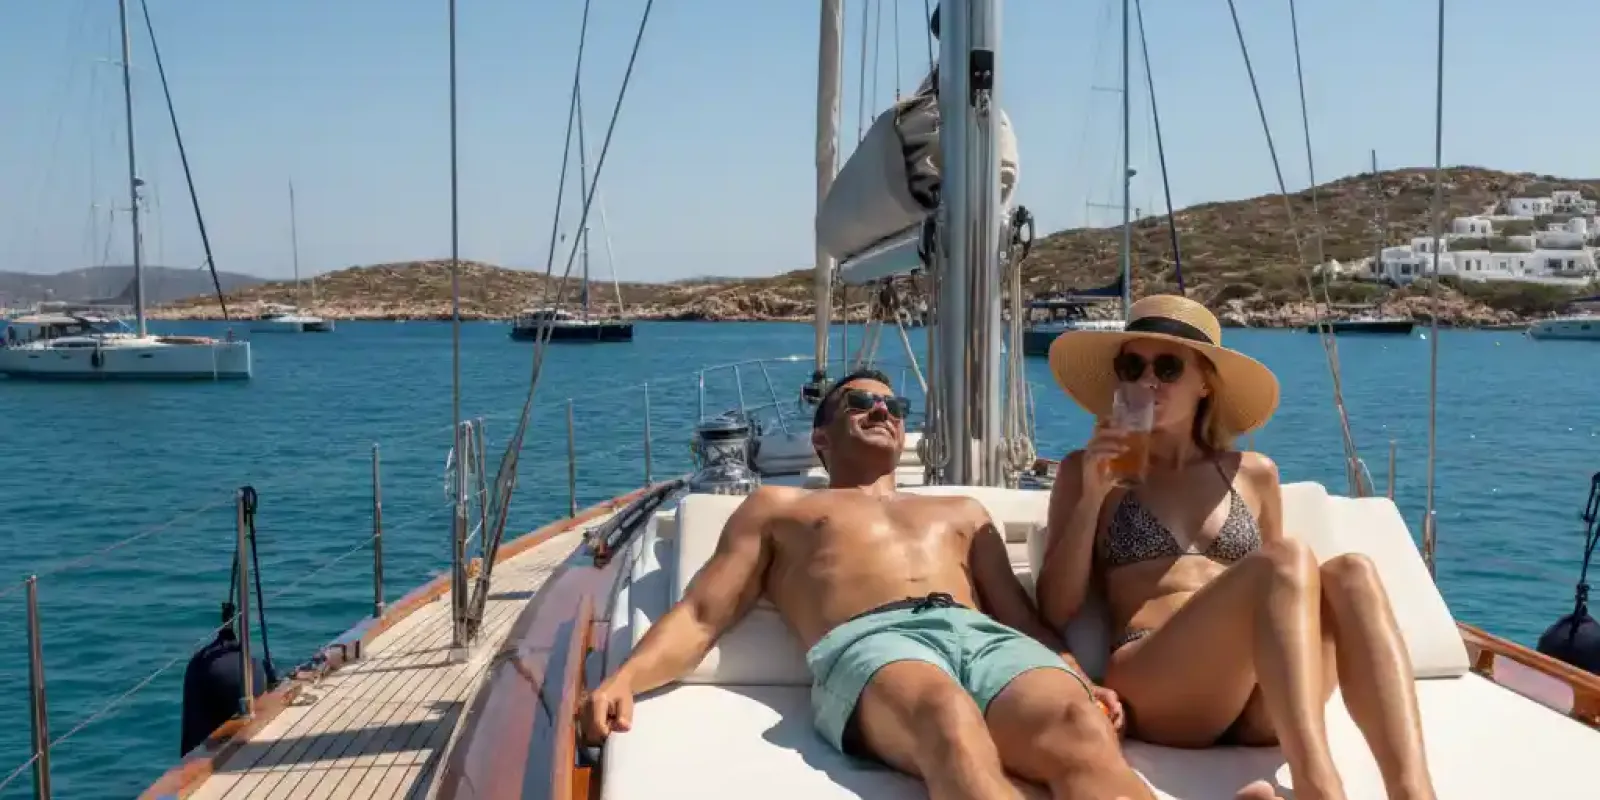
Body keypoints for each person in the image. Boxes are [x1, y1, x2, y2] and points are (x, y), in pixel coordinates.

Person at [583, 369, 1155, 800]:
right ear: (821, 439)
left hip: (984, 641)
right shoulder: (780, 508)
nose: (882, 409)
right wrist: (624, 679)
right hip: (875, 641)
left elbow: (1020, 619)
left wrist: (1079, 677)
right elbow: (702, 614)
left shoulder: (962, 511)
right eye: (860, 402)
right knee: (945, 716)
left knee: (1080, 729)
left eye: (894, 405)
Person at [1034, 295, 1436, 800]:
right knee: (1284, 558)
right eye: (1133, 367)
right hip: (1160, 687)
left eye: (1167, 367)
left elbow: (1286, 600)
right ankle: (1318, 786)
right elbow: (1055, 609)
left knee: (1352, 572)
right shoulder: (1085, 470)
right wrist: (1094, 497)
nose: (1148, 381)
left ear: (1205, 382)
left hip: (1256, 700)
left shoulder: (1254, 474)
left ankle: (1414, 791)